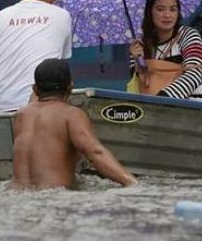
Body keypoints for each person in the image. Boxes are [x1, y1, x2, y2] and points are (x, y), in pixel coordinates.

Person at [12, 59, 138, 190]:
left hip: (16, 195)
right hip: (52, 198)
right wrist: (133, 183)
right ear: (70, 86)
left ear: (35, 89)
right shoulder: (70, 114)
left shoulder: (22, 115)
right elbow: (95, 153)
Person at [127, 0, 202, 99]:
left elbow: (194, 74)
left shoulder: (188, 35)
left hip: (193, 105)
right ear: (149, 11)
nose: (167, 15)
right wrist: (139, 62)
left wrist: (164, 98)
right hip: (154, 106)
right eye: (160, 9)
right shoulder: (140, 44)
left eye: (172, 9)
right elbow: (139, 85)